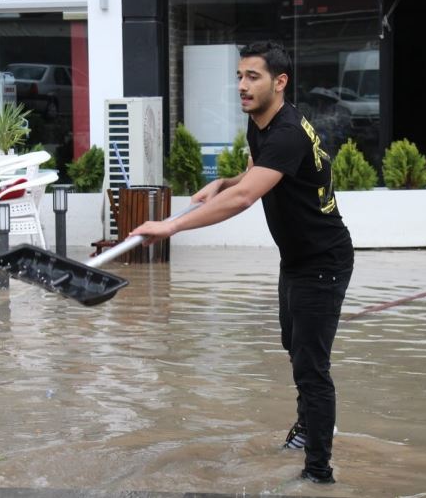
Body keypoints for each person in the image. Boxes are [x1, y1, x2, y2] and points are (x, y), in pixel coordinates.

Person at [130, 41, 354, 485]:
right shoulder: (261, 125)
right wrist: (224, 181)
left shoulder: (287, 130)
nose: (242, 86)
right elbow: (253, 178)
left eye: (253, 77)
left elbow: (248, 198)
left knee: (312, 366)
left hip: (322, 261)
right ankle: (307, 429)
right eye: (239, 76)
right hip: (296, 260)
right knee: (295, 346)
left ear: (280, 82)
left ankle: (318, 473)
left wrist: (172, 228)